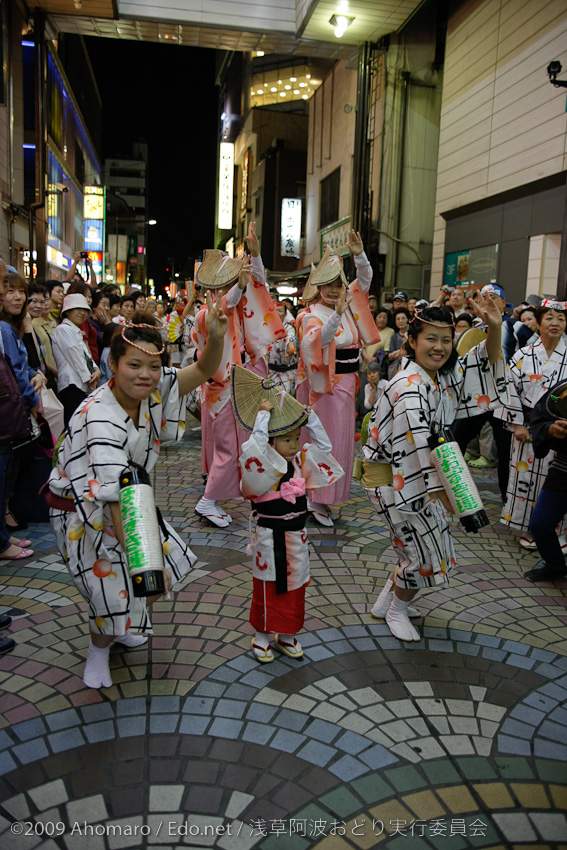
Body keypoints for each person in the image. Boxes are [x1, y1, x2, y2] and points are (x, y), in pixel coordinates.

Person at [47, 296, 229, 688]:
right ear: (112, 366)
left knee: (157, 575)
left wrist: (215, 337)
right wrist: (143, 561)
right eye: (133, 365)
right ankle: (98, 650)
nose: (145, 375)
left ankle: (120, 624)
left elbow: (203, 369)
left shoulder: (154, 387)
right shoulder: (100, 416)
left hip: (129, 498)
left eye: (153, 366)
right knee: (114, 587)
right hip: (81, 510)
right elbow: (111, 497)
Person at [363, 297, 505, 641]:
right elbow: (412, 453)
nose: (440, 348)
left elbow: (483, 362)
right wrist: (445, 497)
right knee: (426, 553)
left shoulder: (438, 376)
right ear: (412, 341)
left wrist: (496, 328)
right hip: (400, 481)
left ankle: (387, 603)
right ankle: (397, 609)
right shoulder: (409, 387)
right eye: (431, 338)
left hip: (413, 478)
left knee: (419, 545)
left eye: (446, 340)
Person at [234, 367, 343, 662]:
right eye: (286, 440)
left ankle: (288, 633)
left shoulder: (300, 463)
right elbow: (253, 448)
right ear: (271, 442)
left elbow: (326, 448)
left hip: (296, 538)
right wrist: (262, 417)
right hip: (269, 539)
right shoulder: (262, 466)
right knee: (267, 586)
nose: (294, 444)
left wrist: (313, 419)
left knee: (296, 586)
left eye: (296, 437)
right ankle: (261, 636)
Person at [193, 227, 285, 527]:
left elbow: (256, 285)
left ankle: (216, 498)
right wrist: (240, 287)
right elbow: (230, 301)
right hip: (221, 393)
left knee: (234, 448)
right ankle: (208, 501)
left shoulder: (228, 308)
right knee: (228, 450)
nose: (234, 287)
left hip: (230, 389)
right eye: (230, 282)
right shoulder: (208, 314)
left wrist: (256, 256)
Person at [300, 232, 378, 526]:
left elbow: (366, 280)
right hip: (327, 387)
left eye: (338, 285)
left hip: (347, 384)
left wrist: (359, 255)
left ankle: (326, 497)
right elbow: (315, 343)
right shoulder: (312, 314)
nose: (334, 291)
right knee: (326, 440)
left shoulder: (348, 304)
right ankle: (315, 498)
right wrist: (337, 315)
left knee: (343, 442)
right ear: (318, 288)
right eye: (328, 286)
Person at [497, 301, 567, 549]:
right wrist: (517, 425)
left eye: (560, 318)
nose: (555, 323)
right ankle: (527, 528)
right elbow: (508, 390)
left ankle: (559, 530)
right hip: (527, 427)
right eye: (549, 318)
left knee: (558, 480)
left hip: (561, 430)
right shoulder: (523, 355)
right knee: (526, 477)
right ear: (538, 324)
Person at [0, 258, 35, 565]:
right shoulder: (5, 329)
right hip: (11, 411)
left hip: (13, 411)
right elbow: (16, 373)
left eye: (19, 291)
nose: (13, 296)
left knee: (7, 475)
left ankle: (1, 533)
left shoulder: (15, 327)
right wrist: (33, 399)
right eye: (8, 289)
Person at [524, 378, 567, 581]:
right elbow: (540, 416)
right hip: (564, 468)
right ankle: (555, 565)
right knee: (540, 524)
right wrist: (550, 429)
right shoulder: (563, 388)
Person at [52, 294, 101, 426]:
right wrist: (90, 380)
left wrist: (96, 370)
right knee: (74, 426)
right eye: (78, 309)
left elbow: (86, 356)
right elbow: (76, 358)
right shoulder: (63, 329)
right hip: (72, 384)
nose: (82, 313)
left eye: (85, 310)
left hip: (82, 385)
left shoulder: (76, 331)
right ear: (67, 311)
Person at [267, 302, 298, 394]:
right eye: (274, 311)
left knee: (285, 399)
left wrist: (291, 348)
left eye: (280, 311)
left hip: (287, 372)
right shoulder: (266, 328)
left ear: (285, 313)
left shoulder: (289, 328)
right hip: (270, 371)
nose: (276, 313)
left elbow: (290, 338)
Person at [388, 307, 411, 380]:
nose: (401, 321)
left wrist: (398, 352)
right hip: (398, 367)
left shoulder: (412, 334)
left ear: (408, 319)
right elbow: (391, 356)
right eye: (398, 319)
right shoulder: (394, 337)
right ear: (395, 322)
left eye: (403, 318)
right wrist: (401, 352)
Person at [90, 290, 110, 357]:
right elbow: (101, 340)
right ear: (94, 307)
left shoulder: (103, 323)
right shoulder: (91, 323)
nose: (107, 308)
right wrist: (108, 323)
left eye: (108, 305)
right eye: (104, 305)